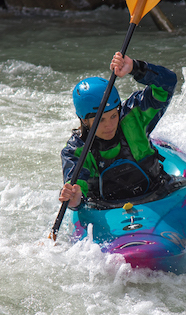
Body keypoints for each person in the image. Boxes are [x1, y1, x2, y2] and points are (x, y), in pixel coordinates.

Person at [59, 51, 178, 209]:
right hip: (106, 208)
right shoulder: (76, 150)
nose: (109, 126)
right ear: (84, 120)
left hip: (158, 194)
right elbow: (77, 186)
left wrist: (136, 68)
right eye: (100, 120)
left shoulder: (133, 117)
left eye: (113, 116)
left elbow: (168, 83)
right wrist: (75, 199)